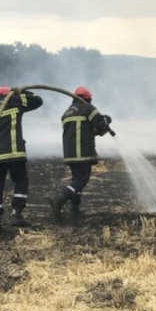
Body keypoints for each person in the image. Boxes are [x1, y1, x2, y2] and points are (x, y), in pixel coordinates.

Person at [0, 85, 43, 231]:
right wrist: (23, 92)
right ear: (10, 95)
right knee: (20, 180)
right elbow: (38, 101)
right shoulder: (15, 102)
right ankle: (16, 214)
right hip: (14, 154)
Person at [48, 86, 112, 219]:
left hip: (70, 154)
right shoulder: (88, 108)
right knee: (81, 180)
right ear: (88, 99)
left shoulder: (67, 113)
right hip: (82, 152)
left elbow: (85, 131)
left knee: (76, 180)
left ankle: (74, 209)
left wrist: (100, 130)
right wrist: (107, 119)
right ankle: (60, 199)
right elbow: (100, 124)